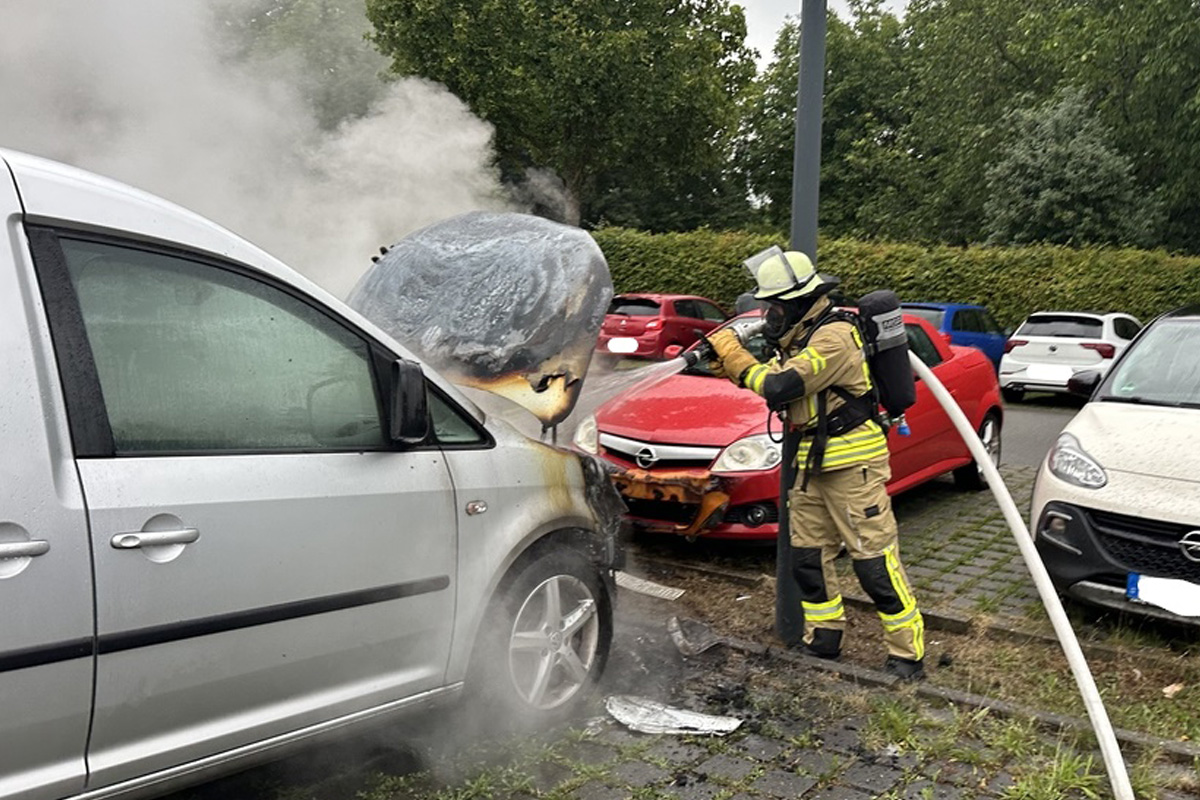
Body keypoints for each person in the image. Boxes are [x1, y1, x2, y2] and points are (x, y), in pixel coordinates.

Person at [706, 248, 926, 680]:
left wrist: (734, 356)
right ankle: (824, 637)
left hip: (853, 466)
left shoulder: (834, 337)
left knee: (874, 563)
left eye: (773, 307)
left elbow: (782, 383)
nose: (769, 315)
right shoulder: (801, 339)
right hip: (811, 463)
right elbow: (775, 379)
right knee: (807, 558)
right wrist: (729, 366)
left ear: (796, 302)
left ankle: (908, 653)